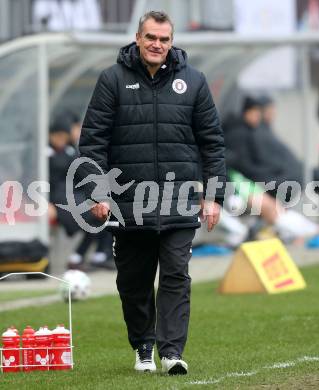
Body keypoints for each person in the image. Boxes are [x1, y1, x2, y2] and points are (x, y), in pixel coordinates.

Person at [78, 11, 226, 375]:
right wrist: (98, 192)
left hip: (179, 202)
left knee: (176, 273)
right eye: (151, 38)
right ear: (138, 38)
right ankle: (144, 346)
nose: (157, 45)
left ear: (171, 42)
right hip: (129, 204)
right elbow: (92, 142)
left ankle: (172, 352)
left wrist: (213, 195)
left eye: (164, 39)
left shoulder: (194, 81)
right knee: (134, 281)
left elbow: (213, 144)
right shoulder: (111, 80)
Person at [48, 116, 115, 271]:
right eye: (58, 136)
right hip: (55, 200)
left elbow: (81, 174)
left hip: (74, 195)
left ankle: (84, 256)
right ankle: (83, 257)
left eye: (63, 137)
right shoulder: (44, 154)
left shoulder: (70, 151)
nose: (61, 140)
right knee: (94, 213)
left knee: (103, 211)